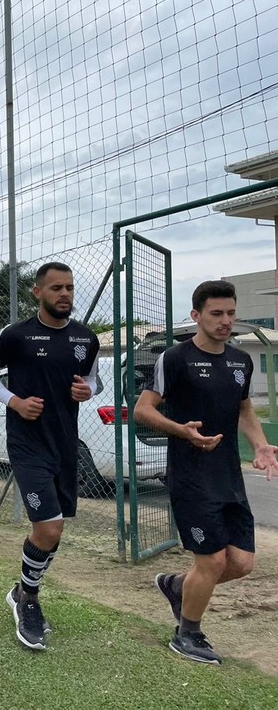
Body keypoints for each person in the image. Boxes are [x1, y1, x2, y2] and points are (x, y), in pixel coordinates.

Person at [134, 280, 278, 665]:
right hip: (191, 476)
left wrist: (261, 445)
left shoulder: (240, 361)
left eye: (231, 313)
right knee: (211, 561)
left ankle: (177, 586)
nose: (226, 321)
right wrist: (181, 430)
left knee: (242, 563)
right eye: (217, 314)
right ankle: (187, 634)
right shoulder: (175, 359)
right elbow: (143, 410)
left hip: (228, 475)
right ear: (196, 315)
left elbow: (245, 410)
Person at [0, 261, 99, 651]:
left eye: (69, 288)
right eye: (56, 288)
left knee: (55, 527)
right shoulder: (14, 335)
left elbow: (92, 380)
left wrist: (88, 391)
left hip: (66, 444)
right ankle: (27, 599)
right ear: (37, 293)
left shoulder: (86, 339)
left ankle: (23, 591)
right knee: (48, 527)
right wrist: (14, 401)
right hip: (28, 444)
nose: (64, 294)